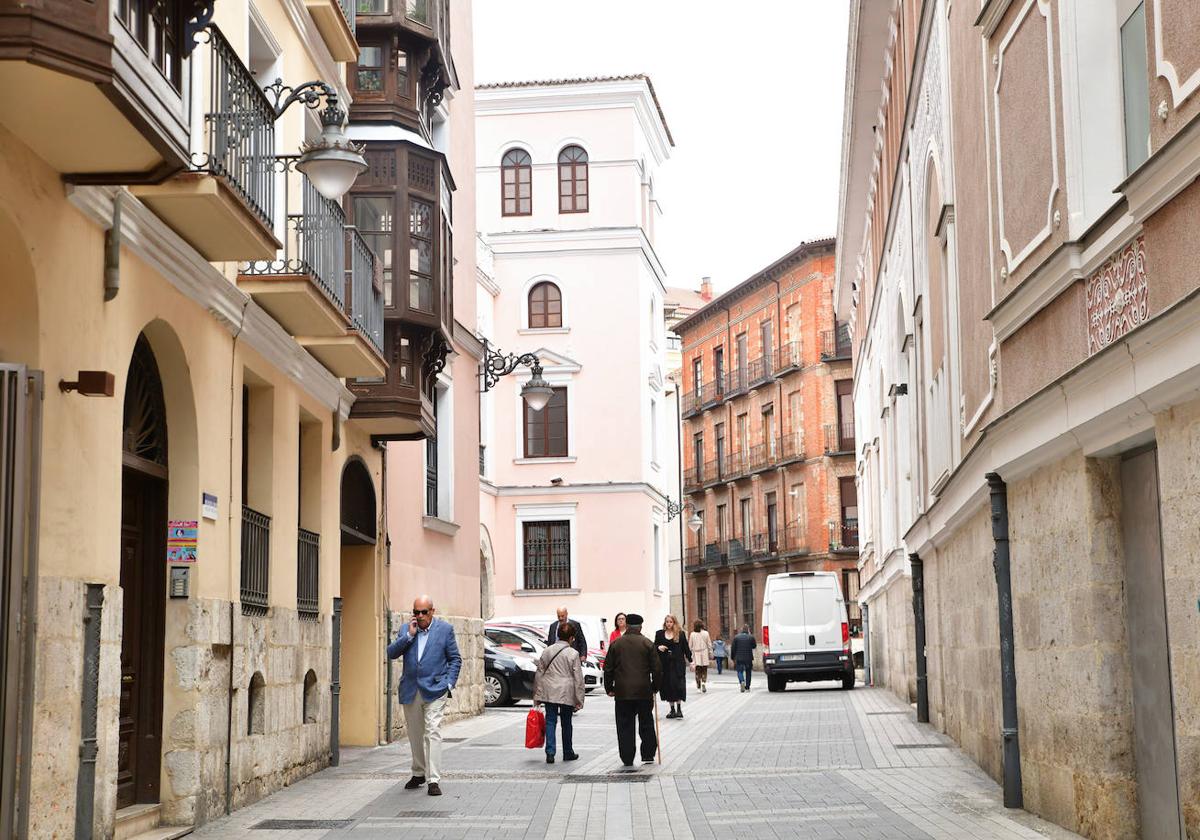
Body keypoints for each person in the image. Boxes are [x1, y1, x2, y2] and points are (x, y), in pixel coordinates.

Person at [386, 595, 462, 796]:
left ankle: (433, 779)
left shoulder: (445, 630)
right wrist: (409, 636)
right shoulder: (406, 630)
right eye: (416, 612)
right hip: (411, 689)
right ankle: (418, 772)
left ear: (432, 611)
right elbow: (391, 653)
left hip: (436, 689)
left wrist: (449, 683)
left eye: (423, 612)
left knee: (433, 731)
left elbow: (455, 659)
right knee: (415, 734)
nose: (419, 616)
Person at [603, 613, 662, 766]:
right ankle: (648, 754)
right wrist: (655, 687)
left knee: (625, 726)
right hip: (644, 691)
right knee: (646, 723)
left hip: (622, 693)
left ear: (627, 626)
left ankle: (627, 757)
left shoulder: (616, 644)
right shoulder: (648, 643)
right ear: (640, 626)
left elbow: (608, 668)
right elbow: (657, 669)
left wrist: (609, 688)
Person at [534, 621, 585, 764]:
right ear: (571, 638)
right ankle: (568, 752)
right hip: (566, 692)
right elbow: (578, 678)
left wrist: (537, 695)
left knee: (550, 720)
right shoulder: (573, 654)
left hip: (549, 690)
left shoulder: (547, 651)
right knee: (566, 722)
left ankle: (550, 752)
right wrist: (579, 699)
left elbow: (539, 673)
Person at [654, 614, 691, 718]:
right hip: (665, 665)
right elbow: (653, 646)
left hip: (677, 665)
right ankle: (672, 710)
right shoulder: (660, 634)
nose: (669, 624)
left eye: (671, 622)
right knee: (667, 687)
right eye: (667, 622)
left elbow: (686, 649)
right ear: (665, 623)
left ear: (674, 623)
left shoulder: (680, 634)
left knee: (678, 686)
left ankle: (679, 709)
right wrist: (659, 647)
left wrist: (691, 661)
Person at [730, 625, 757, 692]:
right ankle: (747, 687)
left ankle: (742, 681)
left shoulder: (736, 637)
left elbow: (733, 648)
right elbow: (754, 646)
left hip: (739, 658)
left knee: (739, 671)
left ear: (742, 630)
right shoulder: (751, 637)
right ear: (748, 630)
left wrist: (732, 657)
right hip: (748, 658)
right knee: (748, 672)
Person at [688, 620, 712, 693]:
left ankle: (698, 687)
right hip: (704, 653)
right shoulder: (706, 633)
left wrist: (689, 655)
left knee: (697, 671)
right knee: (704, 670)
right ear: (702, 625)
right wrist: (710, 653)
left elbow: (689, 646)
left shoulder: (692, 634)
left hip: (696, 654)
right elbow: (709, 644)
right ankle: (703, 682)